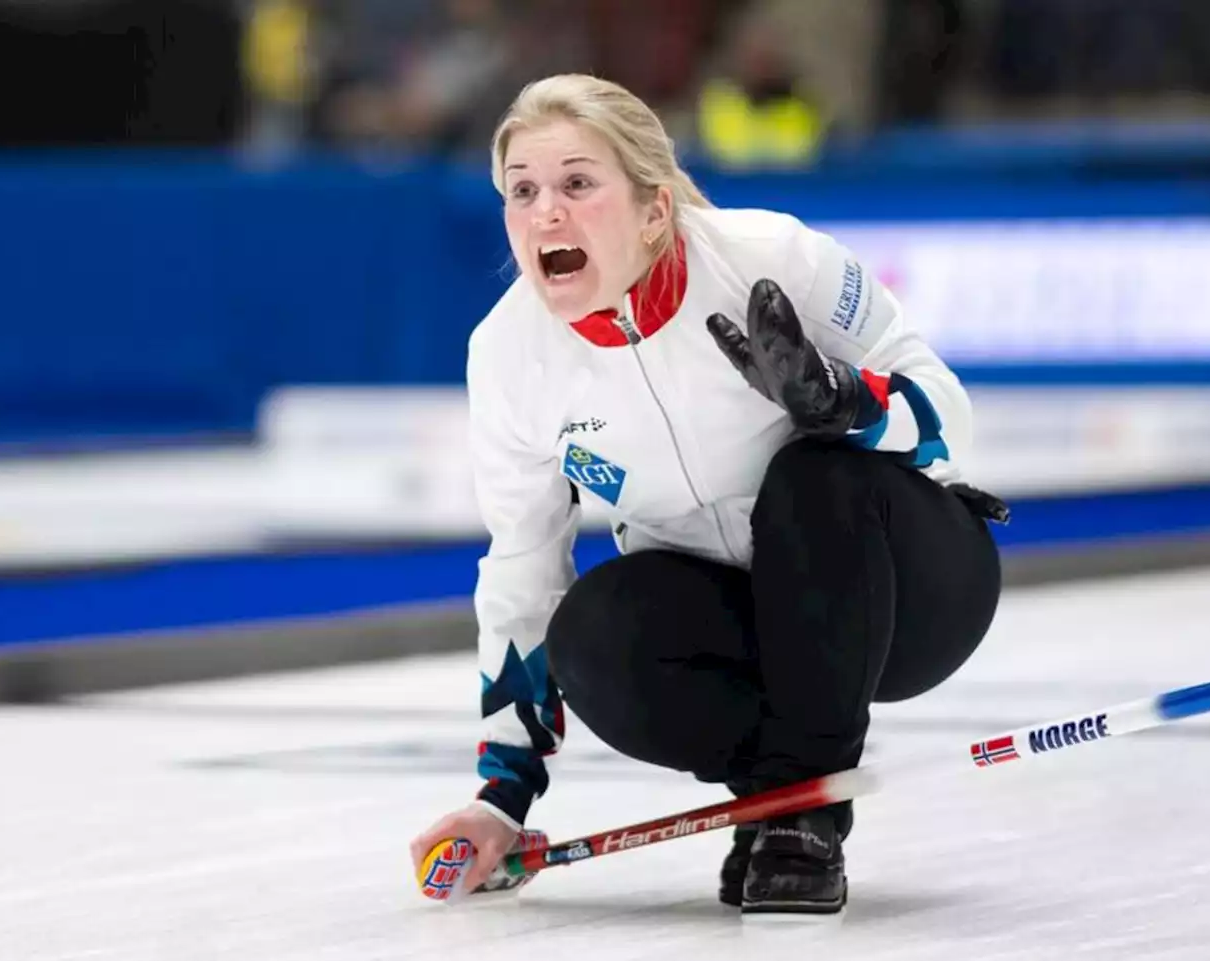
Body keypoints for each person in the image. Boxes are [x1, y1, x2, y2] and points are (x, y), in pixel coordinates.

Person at [409, 73, 1007, 916]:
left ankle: (800, 808)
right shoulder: (509, 354)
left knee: (813, 473)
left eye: (578, 184)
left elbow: (949, 412)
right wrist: (500, 796)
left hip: (907, 592)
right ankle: (781, 797)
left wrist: (845, 401)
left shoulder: (772, 257)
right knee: (594, 631)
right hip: (751, 629)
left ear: (655, 209)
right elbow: (522, 566)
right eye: (524, 190)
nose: (546, 212)